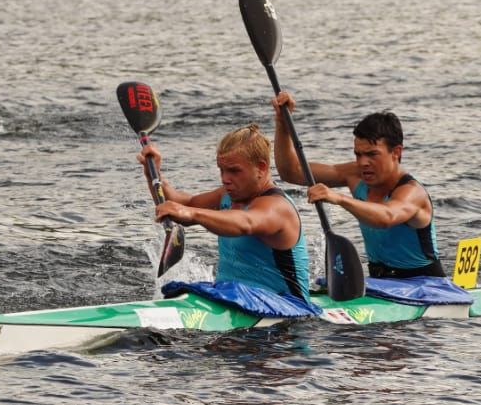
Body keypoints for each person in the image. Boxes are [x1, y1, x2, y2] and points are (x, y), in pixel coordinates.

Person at [272, 93, 442, 278]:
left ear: (396, 152)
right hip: (380, 280)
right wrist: (283, 124)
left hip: (425, 284)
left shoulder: (412, 192)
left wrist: (338, 198)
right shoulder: (355, 174)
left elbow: (386, 217)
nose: (363, 163)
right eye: (358, 154)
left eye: (372, 154)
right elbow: (291, 172)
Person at [138, 123, 309, 297]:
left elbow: (246, 223)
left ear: (261, 168)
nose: (225, 179)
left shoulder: (277, 207)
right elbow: (184, 204)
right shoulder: (226, 196)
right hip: (231, 297)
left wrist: (192, 213)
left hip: (285, 308)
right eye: (222, 170)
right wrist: (154, 173)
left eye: (234, 171)